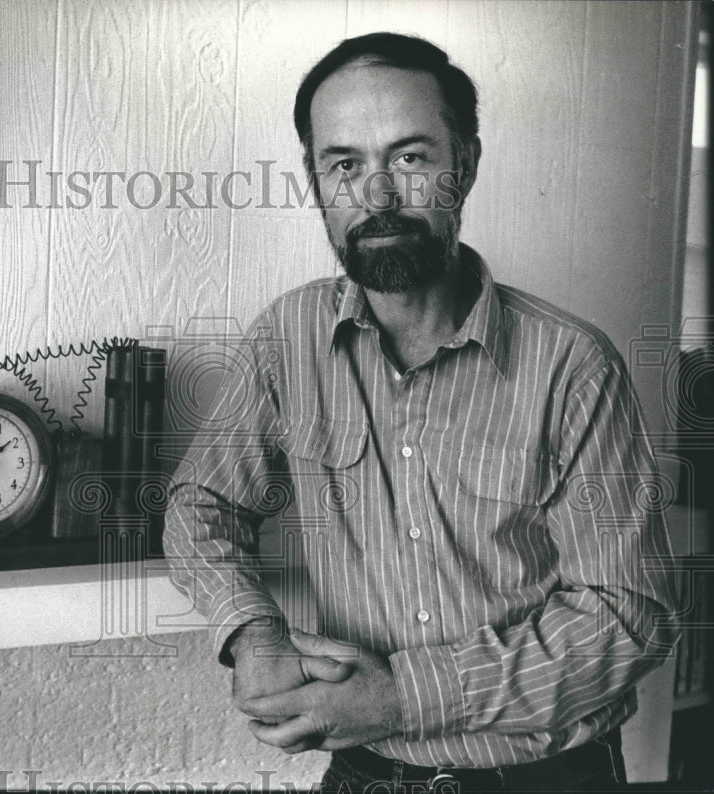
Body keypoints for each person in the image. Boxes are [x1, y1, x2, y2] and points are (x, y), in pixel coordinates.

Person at [163, 32, 679, 793]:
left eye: (409, 159)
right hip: (364, 775)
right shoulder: (286, 339)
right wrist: (251, 631)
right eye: (344, 165)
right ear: (316, 184)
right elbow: (197, 503)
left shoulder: (573, 366)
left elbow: (629, 616)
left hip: (547, 777)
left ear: (464, 166)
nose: (376, 196)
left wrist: (402, 695)